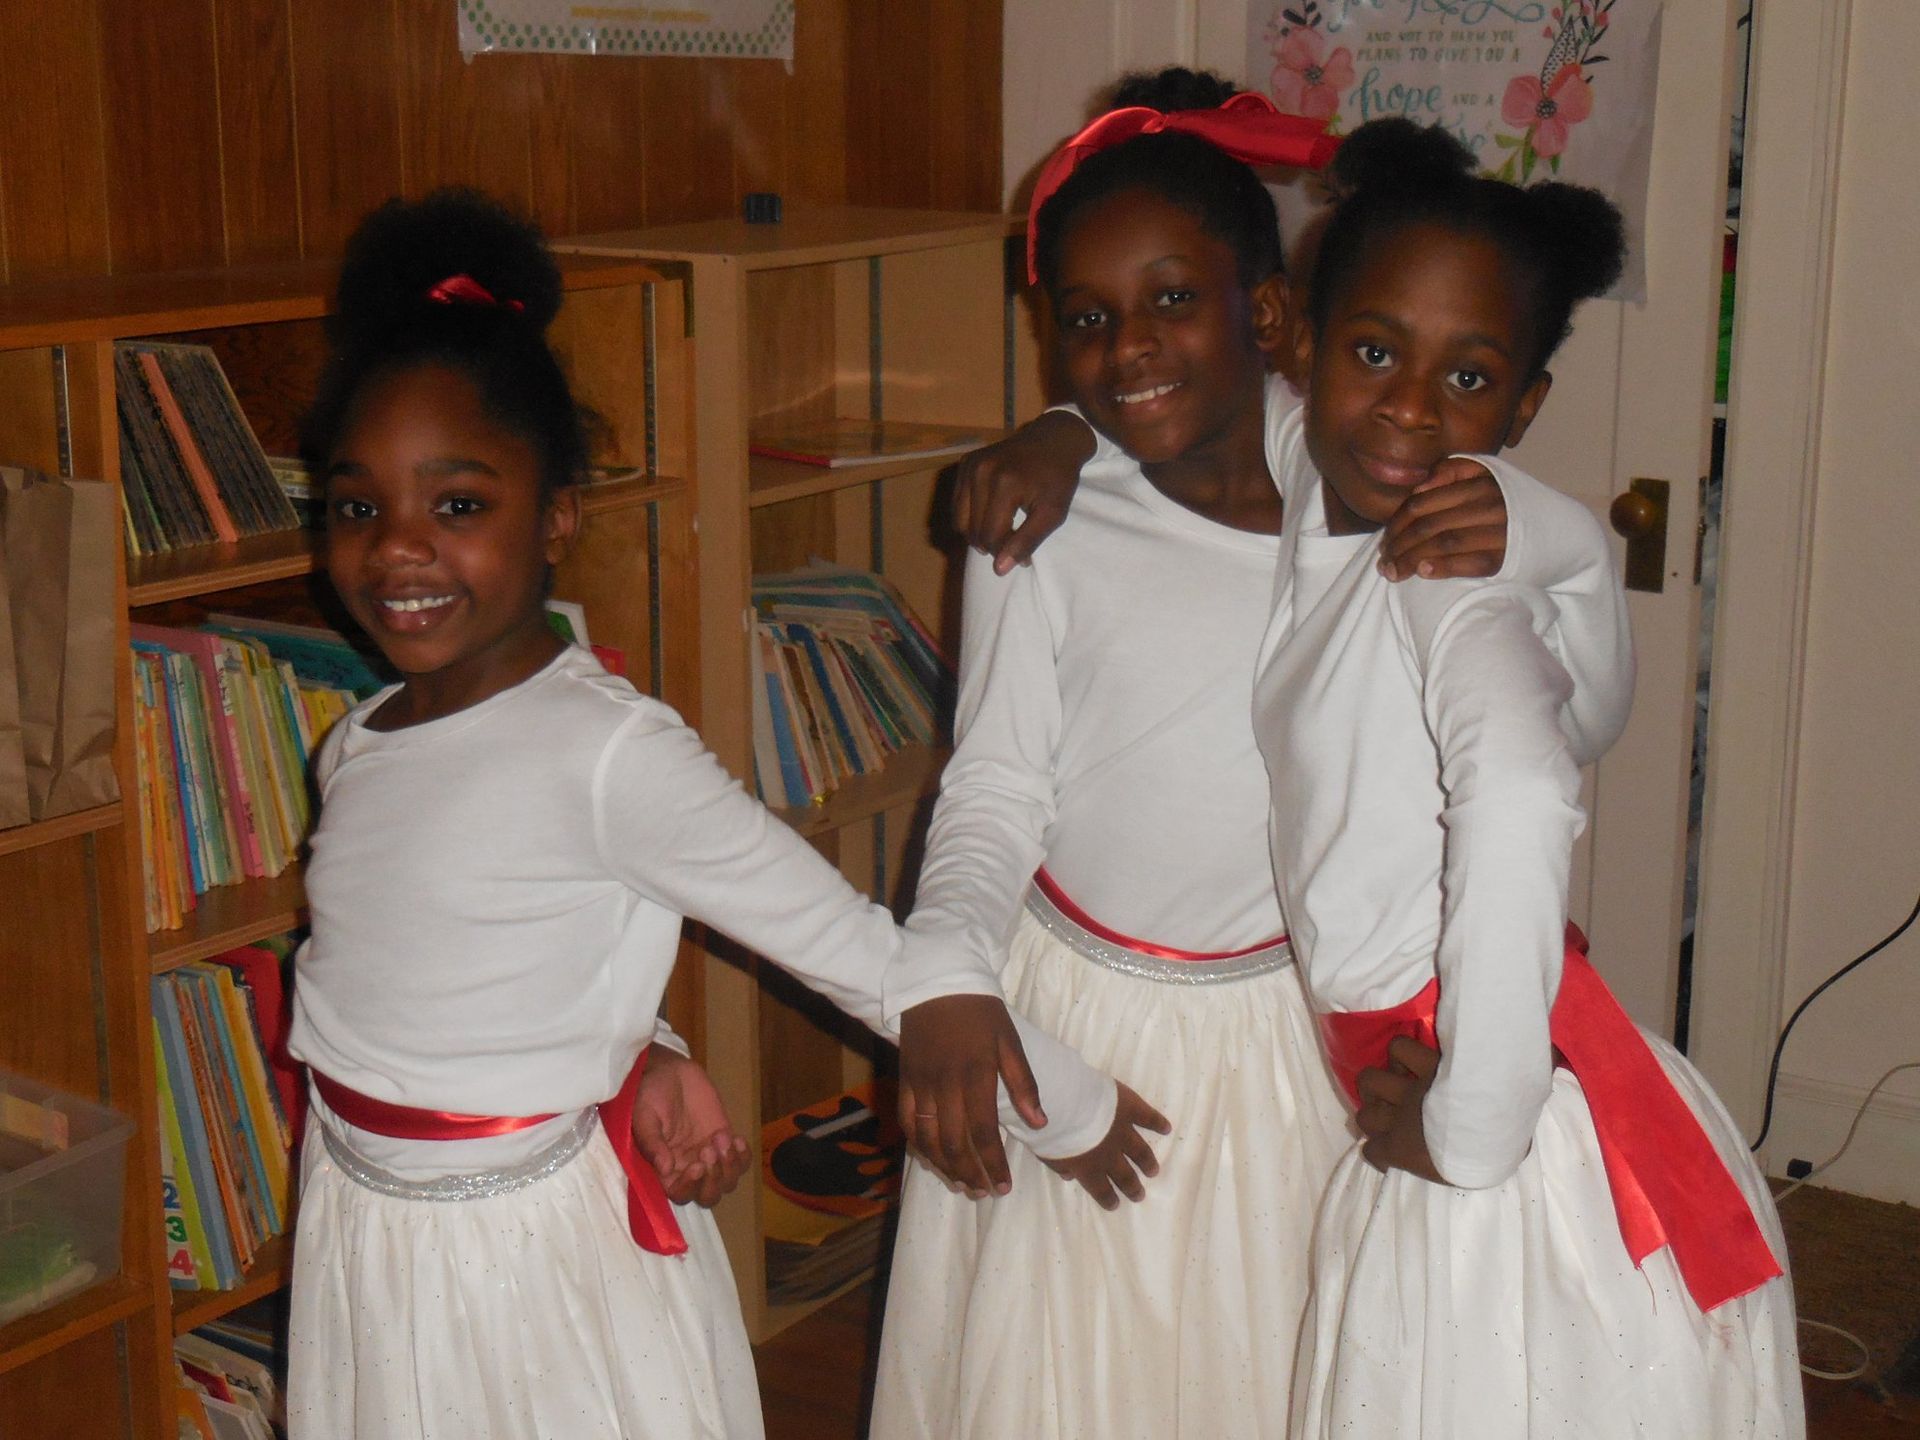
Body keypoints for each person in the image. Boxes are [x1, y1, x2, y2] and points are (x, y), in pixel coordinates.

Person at [871, 76, 1632, 1440]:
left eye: (1172, 299)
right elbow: (991, 784)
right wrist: (945, 979)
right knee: (1054, 1384)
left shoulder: (1360, 482)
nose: (1127, 349)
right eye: (1084, 322)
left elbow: (1541, 674)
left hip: (1286, 1035)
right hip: (1078, 1008)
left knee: (1275, 1369)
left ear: (1268, 315)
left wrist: (1540, 522)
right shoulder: (1040, 525)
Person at [281, 188, 1069, 1439]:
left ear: (556, 517)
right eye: (358, 505)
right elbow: (511, 949)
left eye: (460, 504)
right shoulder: (356, 742)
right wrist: (647, 1050)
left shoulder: (608, 753)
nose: (398, 550)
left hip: (530, 1263)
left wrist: (1065, 1103)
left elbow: (853, 946)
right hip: (366, 1230)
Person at [1251, 120, 1802, 1436]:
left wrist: (1471, 1129)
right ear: (1304, 340)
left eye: (1471, 378)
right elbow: (1595, 709)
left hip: (1484, 1099)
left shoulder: (1448, 577)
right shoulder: (1324, 485)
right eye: (1375, 351)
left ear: (1524, 409)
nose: (1408, 409)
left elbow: (1526, 798)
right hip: (1453, 1069)